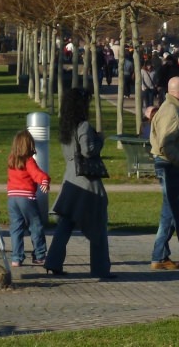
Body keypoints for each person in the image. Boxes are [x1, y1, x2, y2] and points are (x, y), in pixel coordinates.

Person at [45, 87, 111, 277]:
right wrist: (99, 140)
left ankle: (53, 261)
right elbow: (88, 151)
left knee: (65, 224)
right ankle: (100, 268)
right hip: (86, 181)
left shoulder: (66, 127)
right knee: (98, 222)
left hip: (70, 179)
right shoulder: (83, 126)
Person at [149, 76, 179, 274]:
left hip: (170, 166)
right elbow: (165, 145)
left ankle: (159, 256)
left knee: (168, 214)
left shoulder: (170, 108)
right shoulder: (172, 112)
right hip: (171, 168)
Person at [6, 130, 50, 267]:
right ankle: (40, 255)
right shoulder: (29, 161)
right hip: (26, 198)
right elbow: (36, 174)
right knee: (35, 226)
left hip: (12, 197)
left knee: (16, 228)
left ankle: (16, 257)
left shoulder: (11, 159)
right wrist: (45, 181)